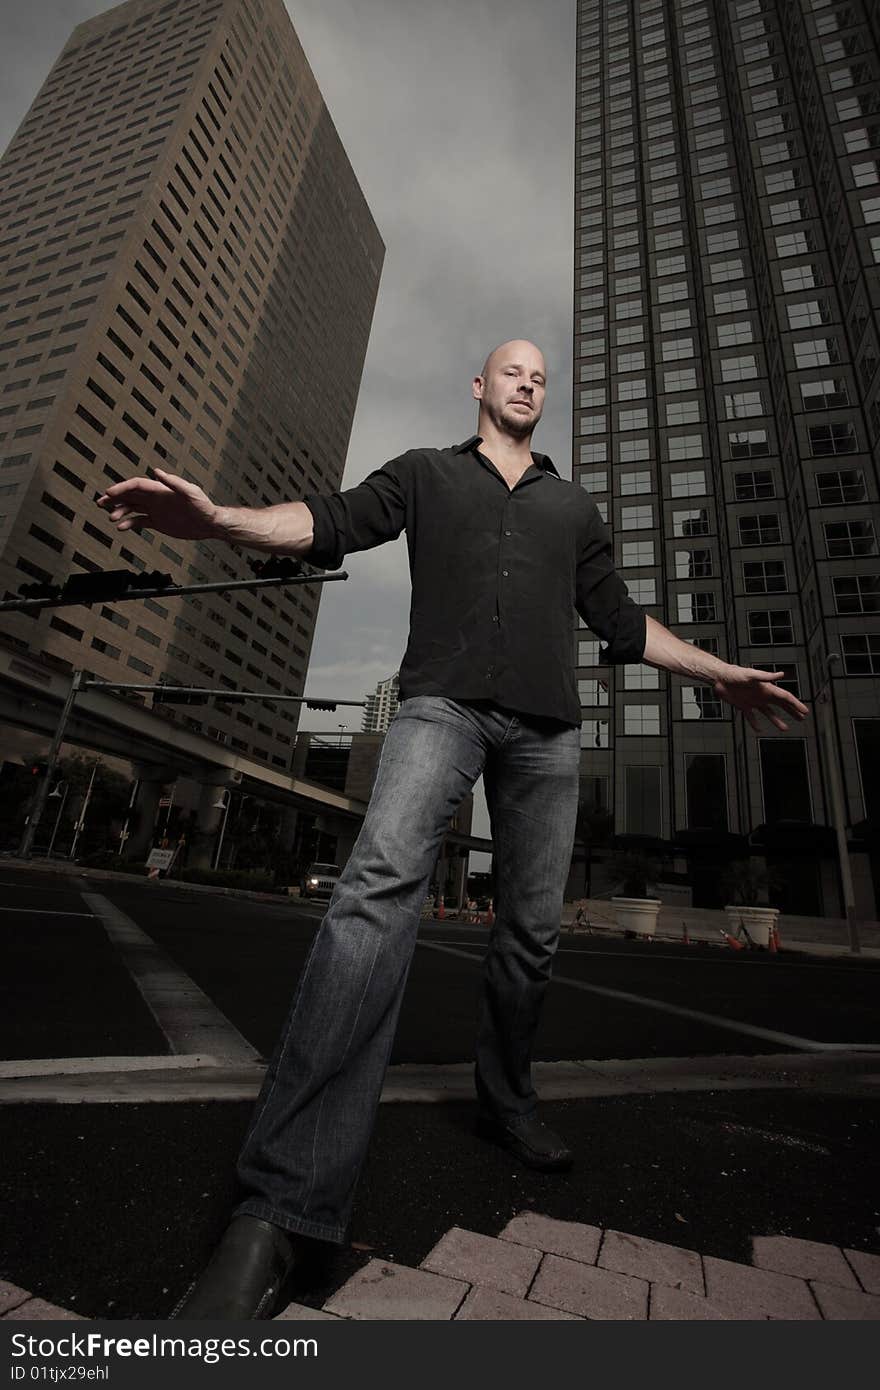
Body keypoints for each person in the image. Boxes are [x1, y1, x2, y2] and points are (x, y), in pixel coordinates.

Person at [96, 339, 809, 1318]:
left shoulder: (572, 508)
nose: (528, 381)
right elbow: (334, 521)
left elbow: (622, 620)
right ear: (478, 384)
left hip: (547, 732)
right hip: (440, 710)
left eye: (540, 375)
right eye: (511, 368)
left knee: (531, 933)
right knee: (374, 890)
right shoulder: (426, 475)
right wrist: (222, 520)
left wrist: (717, 671)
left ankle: (506, 1095)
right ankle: (279, 1210)